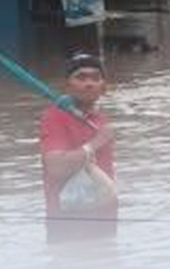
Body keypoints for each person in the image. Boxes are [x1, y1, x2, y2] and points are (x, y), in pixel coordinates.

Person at [39, 53, 118, 238]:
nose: (89, 83)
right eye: (81, 77)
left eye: (95, 78)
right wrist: (95, 143)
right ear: (67, 85)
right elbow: (56, 167)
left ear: (104, 87)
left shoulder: (100, 119)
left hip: (105, 223)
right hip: (69, 228)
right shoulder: (55, 117)